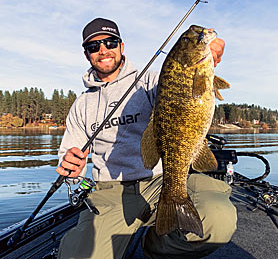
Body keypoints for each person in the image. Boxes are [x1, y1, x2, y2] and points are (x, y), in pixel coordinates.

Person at [56, 17, 237, 259]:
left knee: (218, 221)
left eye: (110, 42)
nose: (103, 50)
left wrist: (211, 52)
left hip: (162, 179)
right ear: (87, 54)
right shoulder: (81, 105)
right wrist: (71, 166)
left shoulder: (152, 81)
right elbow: (68, 156)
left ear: (121, 46)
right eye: (93, 47)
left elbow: (188, 88)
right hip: (111, 191)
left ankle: (156, 245)